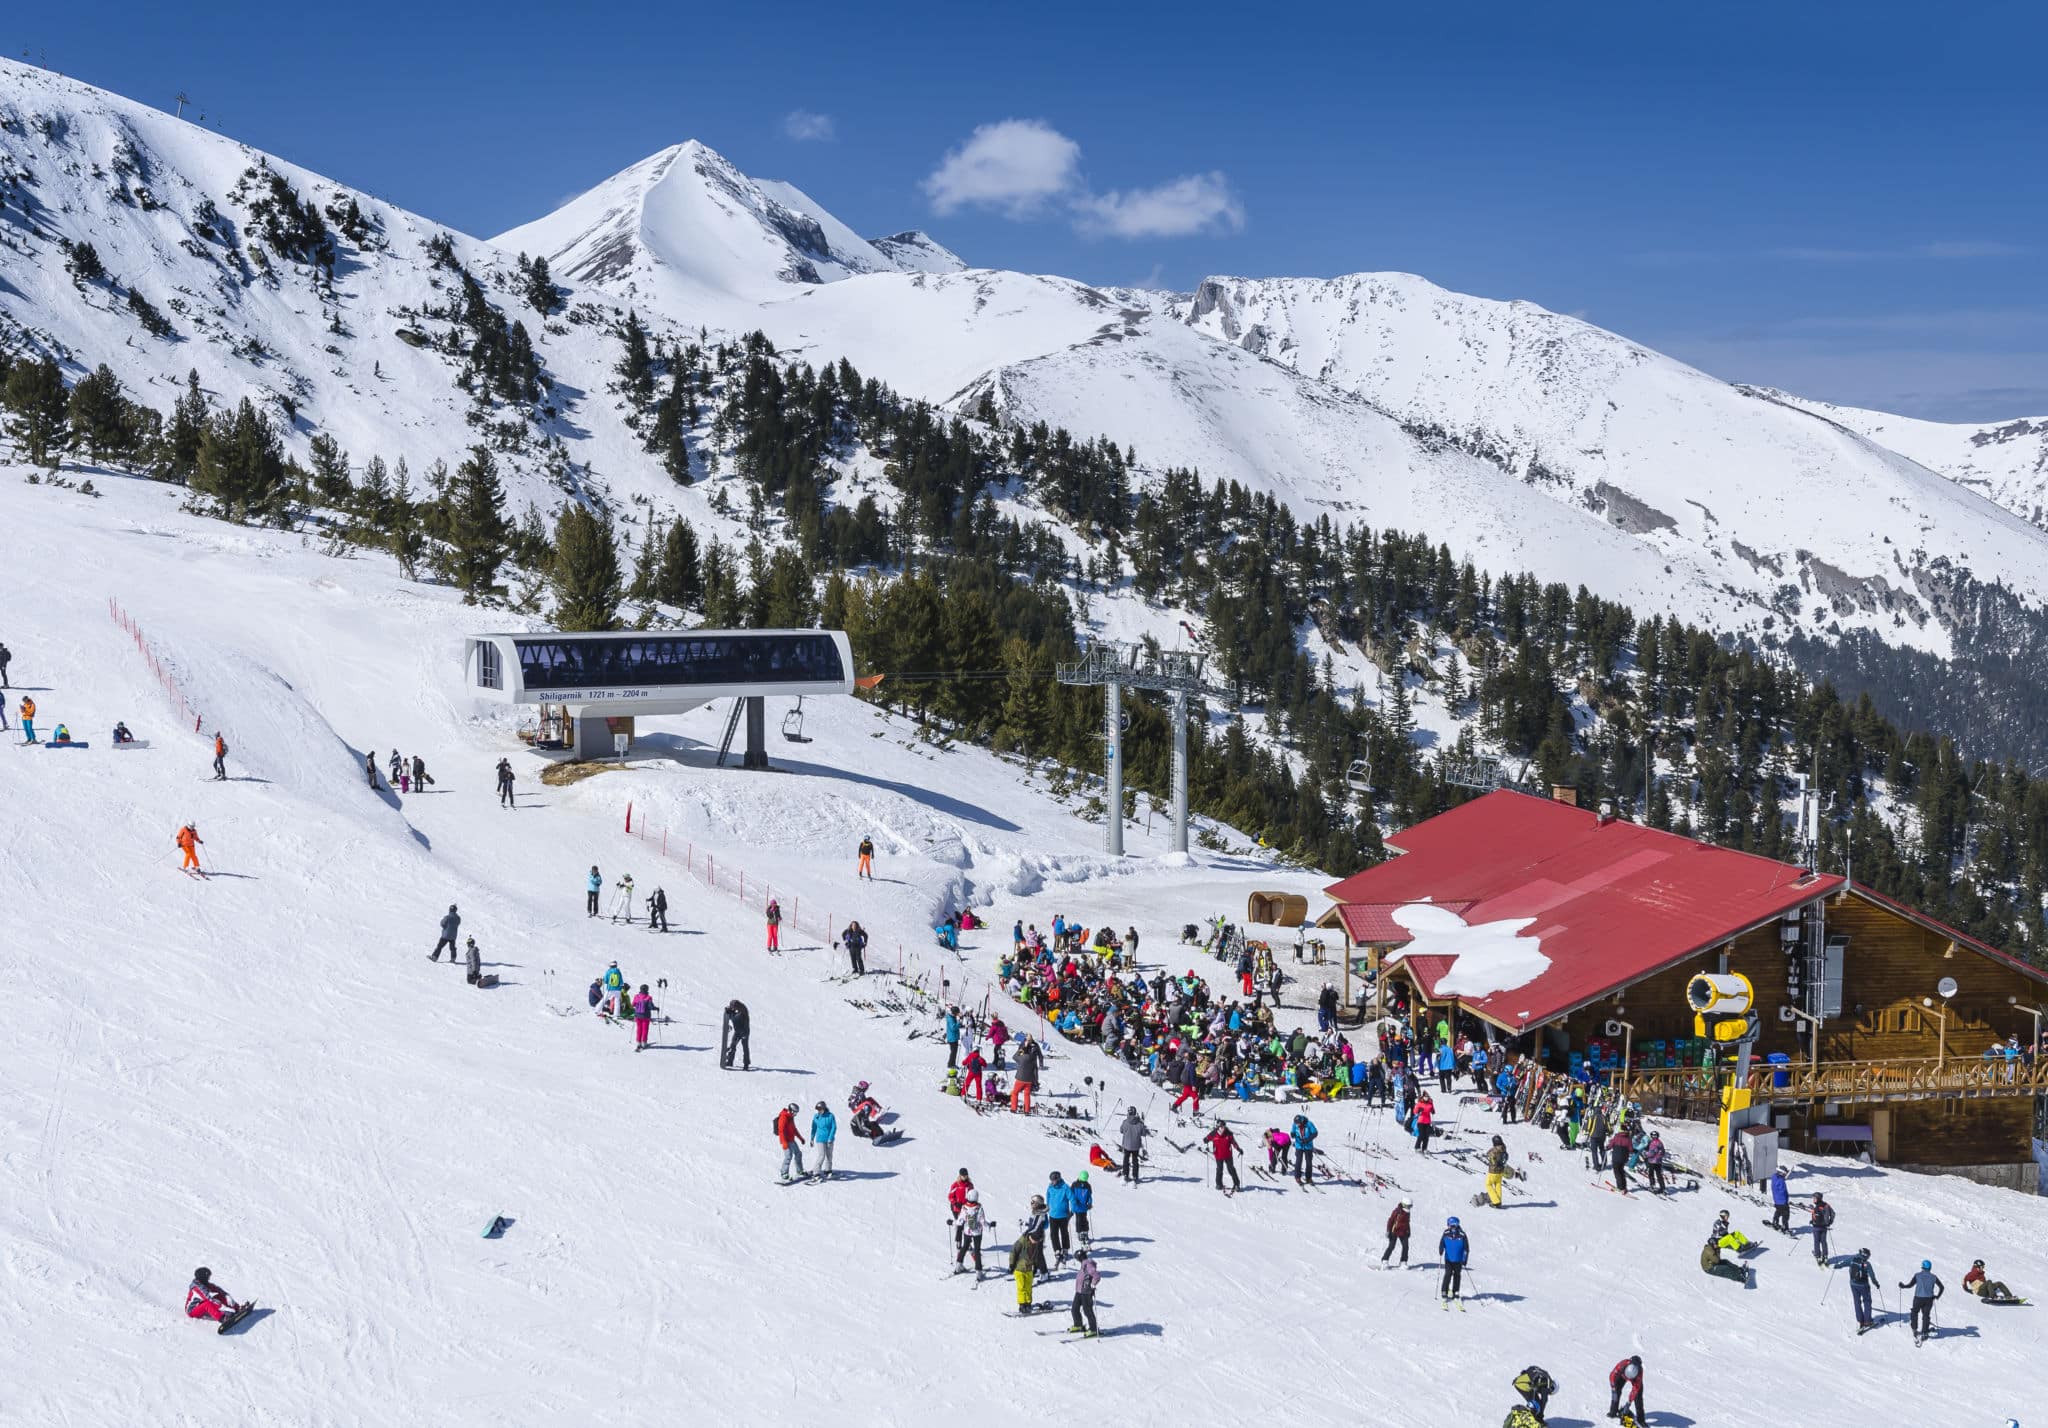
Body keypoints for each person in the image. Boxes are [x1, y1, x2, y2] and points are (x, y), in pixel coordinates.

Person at [1899, 1260, 1943, 1343]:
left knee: (1914, 1312)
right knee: (1926, 1315)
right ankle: (1924, 1332)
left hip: (1918, 1298)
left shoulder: (1917, 1275)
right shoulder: (1933, 1277)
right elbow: (1942, 1287)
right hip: (1929, 1299)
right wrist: (1937, 1296)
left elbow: (1910, 1285)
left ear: (1922, 1266)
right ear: (1930, 1267)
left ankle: (1914, 1329)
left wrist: (1902, 1286)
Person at [1068, 1247, 1101, 1337]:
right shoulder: (1084, 1263)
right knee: (1074, 1308)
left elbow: (1096, 1276)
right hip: (1079, 1291)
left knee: (1087, 1311)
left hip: (1086, 1291)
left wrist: (1093, 1284)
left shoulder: (1088, 1264)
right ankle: (1078, 1325)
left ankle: (1093, 1329)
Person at [953, 1189, 985, 1277]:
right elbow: (982, 1221)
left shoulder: (964, 1207)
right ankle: (978, 1272)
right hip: (977, 1232)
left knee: (964, 1247)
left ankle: (958, 1266)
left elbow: (960, 1221)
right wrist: (991, 1225)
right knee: (977, 1250)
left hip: (967, 1231)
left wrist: (952, 1223)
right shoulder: (979, 1207)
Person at [1204, 1121, 1243, 1193]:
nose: (1223, 1129)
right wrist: (1205, 1140)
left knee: (1231, 1169)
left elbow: (1234, 1143)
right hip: (1218, 1155)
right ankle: (1219, 1184)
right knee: (1219, 1169)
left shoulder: (1228, 1133)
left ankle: (1236, 1184)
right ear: (1218, 1127)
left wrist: (1238, 1149)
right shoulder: (1213, 1133)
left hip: (1228, 1155)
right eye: (1221, 1127)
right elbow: (1207, 1138)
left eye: (1224, 1127)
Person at [1438, 1216, 1470, 1303]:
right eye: (1450, 1225)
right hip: (1448, 1259)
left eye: (1453, 1225)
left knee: (1457, 1275)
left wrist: (1464, 1260)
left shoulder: (1462, 1235)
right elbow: (1442, 1243)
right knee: (1448, 1274)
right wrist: (1441, 1249)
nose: (1451, 1227)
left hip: (1458, 1259)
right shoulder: (1446, 1233)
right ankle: (1444, 1290)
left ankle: (1455, 1291)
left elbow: (1466, 1249)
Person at [1847, 1247, 1879, 1331]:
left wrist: (1837, 1266)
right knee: (1867, 1301)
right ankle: (1867, 1321)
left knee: (1857, 1301)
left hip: (1853, 1284)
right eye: (1868, 1256)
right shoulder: (1866, 1264)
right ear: (1865, 1255)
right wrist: (1876, 1283)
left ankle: (1860, 1320)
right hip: (1864, 1285)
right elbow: (1872, 1275)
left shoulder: (1853, 1259)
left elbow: (1843, 1263)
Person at [774, 1103, 807, 1183]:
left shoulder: (790, 1117)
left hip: (791, 1140)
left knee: (798, 1154)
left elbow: (794, 1129)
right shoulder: (783, 1117)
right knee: (788, 1156)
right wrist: (784, 1143)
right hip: (785, 1141)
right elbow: (781, 1131)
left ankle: (799, 1171)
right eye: (795, 1112)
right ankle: (784, 1174)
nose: (796, 1114)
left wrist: (800, 1138)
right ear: (791, 1110)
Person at [1046, 1172, 1074, 1262]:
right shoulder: (1050, 1187)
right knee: (1053, 1234)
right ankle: (1057, 1250)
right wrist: (1048, 1206)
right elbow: (1048, 1197)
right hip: (1053, 1215)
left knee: (1064, 1233)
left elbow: (1072, 1198)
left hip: (1063, 1215)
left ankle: (1065, 1249)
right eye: (1051, 1180)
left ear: (1058, 1179)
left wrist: (1072, 1211)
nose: (1052, 1182)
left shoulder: (1065, 1187)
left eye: (1054, 1180)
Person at [1608, 1355, 1644, 1422]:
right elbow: (1612, 1376)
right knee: (1616, 1393)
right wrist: (1613, 1388)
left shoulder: (1639, 1374)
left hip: (1635, 1380)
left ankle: (1641, 1420)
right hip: (1621, 1376)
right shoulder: (1622, 1364)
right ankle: (1613, 1412)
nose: (1628, 1379)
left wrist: (1629, 1402)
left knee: (1638, 1397)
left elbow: (1635, 1389)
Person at [1009, 1230, 1038, 1313]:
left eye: (1036, 1241)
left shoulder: (1036, 1244)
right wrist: (1011, 1265)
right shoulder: (1022, 1241)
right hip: (1019, 1269)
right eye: (1034, 1240)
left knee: (1028, 1287)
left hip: (1029, 1269)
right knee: (1021, 1287)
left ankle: (1028, 1303)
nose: (1035, 1242)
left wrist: (1036, 1266)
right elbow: (1013, 1252)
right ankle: (1022, 1304)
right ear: (1031, 1237)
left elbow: (1036, 1256)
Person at [1010, 1036, 1040, 1114]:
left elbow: (1014, 1056)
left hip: (1020, 1079)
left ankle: (1013, 1108)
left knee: (1015, 1093)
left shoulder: (1021, 1057)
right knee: (1027, 1095)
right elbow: (1035, 1070)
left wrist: (1023, 1048)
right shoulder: (1033, 1058)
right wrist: (1035, 1081)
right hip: (1029, 1080)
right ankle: (1027, 1111)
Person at [1118, 1106, 1148, 1183]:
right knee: (1135, 1161)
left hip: (1126, 1145)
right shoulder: (1140, 1124)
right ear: (1135, 1113)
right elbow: (1144, 1134)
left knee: (1126, 1160)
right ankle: (1135, 1176)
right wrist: (1143, 1126)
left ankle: (1126, 1175)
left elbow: (1121, 1130)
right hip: (1136, 1146)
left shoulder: (1125, 1122)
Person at [810, 1101, 837, 1180]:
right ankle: (816, 1172)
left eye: (820, 1109)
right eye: (818, 1110)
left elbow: (834, 1127)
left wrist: (830, 1138)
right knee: (821, 1155)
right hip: (820, 1139)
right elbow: (813, 1128)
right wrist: (812, 1138)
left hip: (829, 1139)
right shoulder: (816, 1117)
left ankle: (828, 1170)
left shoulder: (830, 1116)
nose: (819, 1111)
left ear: (824, 1108)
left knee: (829, 1155)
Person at [721, 1000, 751, 1070]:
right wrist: (728, 1011)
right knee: (732, 1046)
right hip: (737, 1032)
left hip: (744, 1032)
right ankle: (730, 1061)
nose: (732, 1008)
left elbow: (738, 1017)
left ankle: (746, 1064)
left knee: (745, 1048)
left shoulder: (743, 1013)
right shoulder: (735, 1012)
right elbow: (732, 1016)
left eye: (733, 1007)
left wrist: (745, 1034)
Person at [1171, 1050, 1201, 1115]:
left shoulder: (1188, 1064)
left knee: (1184, 1096)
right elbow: (1191, 1076)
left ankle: (1174, 1106)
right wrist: (1193, 1085)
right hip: (1190, 1085)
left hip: (1186, 1084)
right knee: (1196, 1098)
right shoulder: (1192, 1066)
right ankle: (1195, 1112)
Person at [1291, 1114, 1319, 1184]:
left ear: (1302, 1121)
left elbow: (1315, 1133)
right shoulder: (1295, 1124)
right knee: (1298, 1161)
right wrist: (1292, 1134)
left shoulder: (1309, 1124)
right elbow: (1293, 1131)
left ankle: (1308, 1178)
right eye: (1296, 1123)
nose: (1297, 1125)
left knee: (1309, 1162)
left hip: (1308, 1146)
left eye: (1298, 1123)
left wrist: (1307, 1139)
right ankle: (1297, 1177)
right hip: (1299, 1145)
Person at [1383, 1198, 1412, 1264]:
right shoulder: (1397, 1211)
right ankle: (1385, 1260)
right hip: (1394, 1231)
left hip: (1403, 1232)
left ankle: (1403, 1262)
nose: (1409, 1208)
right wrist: (1388, 1231)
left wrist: (1408, 1230)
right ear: (1404, 1205)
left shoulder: (1408, 1213)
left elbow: (1407, 1223)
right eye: (1408, 1206)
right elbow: (1390, 1221)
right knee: (1391, 1246)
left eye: (1410, 1206)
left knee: (1405, 1247)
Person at [1809, 1192, 1835, 1265]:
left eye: (1814, 1198)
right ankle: (1825, 1256)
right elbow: (1833, 1213)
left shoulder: (1817, 1207)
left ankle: (1818, 1256)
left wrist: (1813, 1221)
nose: (1813, 1200)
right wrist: (1830, 1222)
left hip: (1817, 1227)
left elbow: (1816, 1217)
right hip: (1824, 1227)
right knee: (1823, 1242)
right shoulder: (1826, 1205)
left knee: (1817, 1241)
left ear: (1818, 1198)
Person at [1486, 1135, 1511, 1207]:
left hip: (1493, 1171)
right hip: (1501, 1170)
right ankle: (1499, 1201)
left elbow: (1488, 1154)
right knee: (1498, 1184)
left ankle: (1495, 1201)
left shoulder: (1494, 1150)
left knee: (1488, 1184)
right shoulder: (1504, 1148)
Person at [1608, 1122, 1633, 1195]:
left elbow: (1611, 1145)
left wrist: (1607, 1147)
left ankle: (1620, 1187)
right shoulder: (1628, 1139)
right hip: (1624, 1158)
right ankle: (1624, 1187)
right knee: (1621, 1171)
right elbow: (1631, 1149)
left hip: (1616, 1157)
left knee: (1617, 1172)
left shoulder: (1616, 1137)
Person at [632, 985, 659, 1052]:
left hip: (638, 1016)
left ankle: (638, 1042)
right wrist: (656, 1008)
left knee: (639, 1029)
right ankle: (644, 1043)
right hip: (646, 1016)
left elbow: (633, 1004)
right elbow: (651, 1007)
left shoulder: (636, 996)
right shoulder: (648, 997)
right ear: (647, 990)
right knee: (645, 1029)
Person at [1070, 1170, 1094, 1244]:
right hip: (1077, 1206)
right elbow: (1071, 1195)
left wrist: (1089, 1203)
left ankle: (1085, 1232)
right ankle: (1080, 1233)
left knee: (1084, 1220)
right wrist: (1074, 1201)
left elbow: (1089, 1196)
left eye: (1085, 1180)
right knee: (1079, 1220)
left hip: (1084, 1207)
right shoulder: (1074, 1185)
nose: (1084, 1182)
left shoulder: (1087, 1186)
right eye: (1083, 1180)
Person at [1768, 1167, 1791, 1233]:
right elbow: (1783, 1191)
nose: (1785, 1175)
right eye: (1784, 1174)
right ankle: (1785, 1227)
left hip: (1776, 1200)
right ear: (1781, 1173)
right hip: (1782, 1201)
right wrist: (1786, 1199)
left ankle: (1775, 1221)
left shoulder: (1774, 1178)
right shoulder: (1781, 1181)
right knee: (1786, 1214)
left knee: (1778, 1211)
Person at [943, 1005, 962, 1070]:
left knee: (954, 1052)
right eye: (957, 1013)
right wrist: (959, 1022)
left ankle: (952, 1064)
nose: (958, 1014)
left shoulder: (952, 1017)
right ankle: (950, 1064)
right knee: (953, 1052)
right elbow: (953, 1027)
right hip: (952, 1038)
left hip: (954, 1037)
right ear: (954, 1012)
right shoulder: (951, 1018)